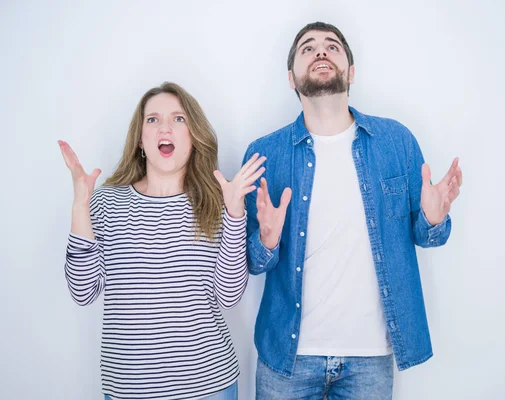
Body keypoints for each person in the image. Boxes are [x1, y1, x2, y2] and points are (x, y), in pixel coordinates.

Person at [243, 22, 463, 399]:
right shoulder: (266, 154)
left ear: (352, 72)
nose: (321, 52)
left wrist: (432, 218)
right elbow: (250, 261)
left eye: (332, 46)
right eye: (308, 48)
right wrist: (265, 240)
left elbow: (431, 236)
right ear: (291, 79)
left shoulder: (396, 141)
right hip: (287, 357)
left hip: (370, 359)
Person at [59, 82, 265, 400]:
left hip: (209, 386)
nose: (164, 127)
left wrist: (236, 213)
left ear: (193, 136)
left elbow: (228, 297)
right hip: (128, 389)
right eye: (152, 119)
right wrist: (79, 209)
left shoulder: (217, 201)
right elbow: (84, 292)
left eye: (178, 119)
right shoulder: (105, 203)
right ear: (140, 140)